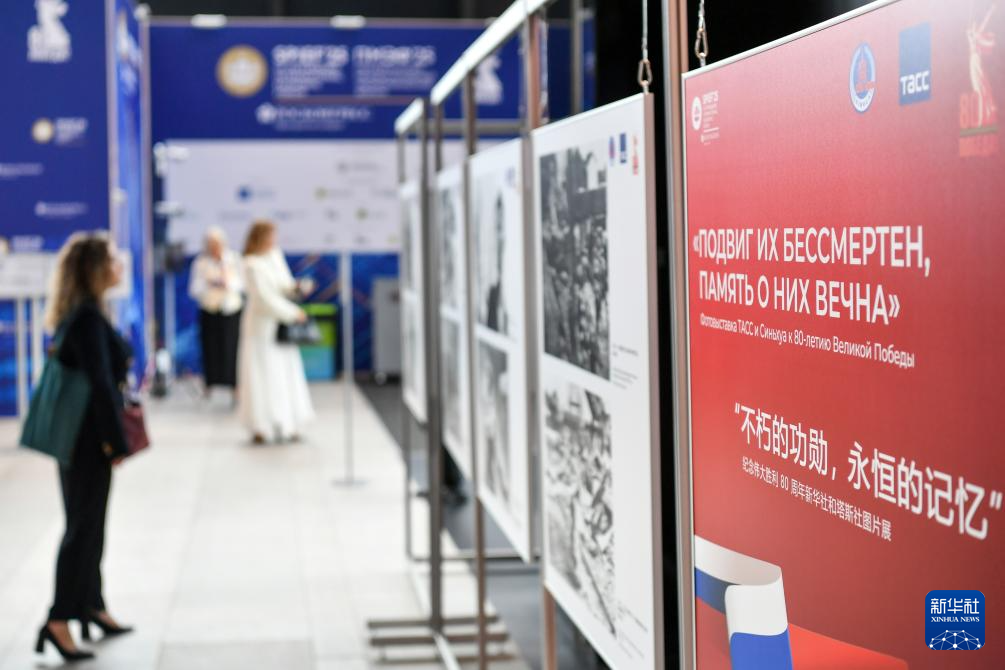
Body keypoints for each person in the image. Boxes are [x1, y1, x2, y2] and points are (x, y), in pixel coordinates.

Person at [36, 232, 134, 662]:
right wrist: (116, 441)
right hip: (88, 440)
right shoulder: (88, 319)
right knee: (82, 528)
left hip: (82, 438)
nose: (119, 265)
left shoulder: (85, 313)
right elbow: (100, 386)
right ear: (96, 269)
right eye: (112, 259)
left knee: (90, 524)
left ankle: (92, 604)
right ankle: (59, 619)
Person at [237, 221, 314, 444]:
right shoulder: (250, 264)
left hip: (280, 327)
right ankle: (261, 425)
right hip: (261, 328)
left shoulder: (275, 256)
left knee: (285, 372)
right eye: (270, 236)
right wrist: (293, 313)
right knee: (262, 374)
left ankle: (288, 423)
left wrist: (297, 288)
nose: (273, 240)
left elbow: (283, 284)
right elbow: (263, 299)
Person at [188, 227, 243, 395]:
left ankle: (234, 385)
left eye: (217, 244)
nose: (214, 248)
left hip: (230, 310)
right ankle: (210, 383)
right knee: (210, 348)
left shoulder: (233, 259)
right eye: (211, 244)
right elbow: (194, 289)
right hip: (209, 309)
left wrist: (227, 283)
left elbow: (242, 284)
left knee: (232, 348)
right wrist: (210, 284)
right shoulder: (200, 262)